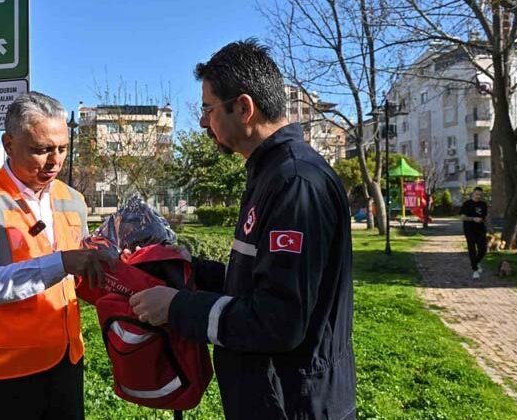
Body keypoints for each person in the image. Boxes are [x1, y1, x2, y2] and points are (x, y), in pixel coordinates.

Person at [129, 39, 356, 419]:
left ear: (244, 108)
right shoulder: (270, 174)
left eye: (207, 108)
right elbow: (256, 284)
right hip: (269, 397)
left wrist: (177, 307)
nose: (202, 122)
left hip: (294, 404)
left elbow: (279, 320)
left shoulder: (295, 182)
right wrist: (187, 266)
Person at [0, 92, 114, 420]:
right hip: (1, 375)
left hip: (65, 363)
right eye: (41, 150)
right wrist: (63, 262)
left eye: (62, 148)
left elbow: (77, 277)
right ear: (8, 144)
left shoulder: (73, 198)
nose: (55, 162)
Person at [460, 187, 488, 279]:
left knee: (483, 249)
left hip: (481, 229)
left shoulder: (483, 204)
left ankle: (476, 262)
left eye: (480, 195)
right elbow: (462, 217)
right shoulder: (467, 204)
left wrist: (485, 221)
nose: (478, 196)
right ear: (473, 194)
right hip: (469, 229)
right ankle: (475, 270)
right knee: (472, 249)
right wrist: (473, 219)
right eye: (477, 194)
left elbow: (485, 217)